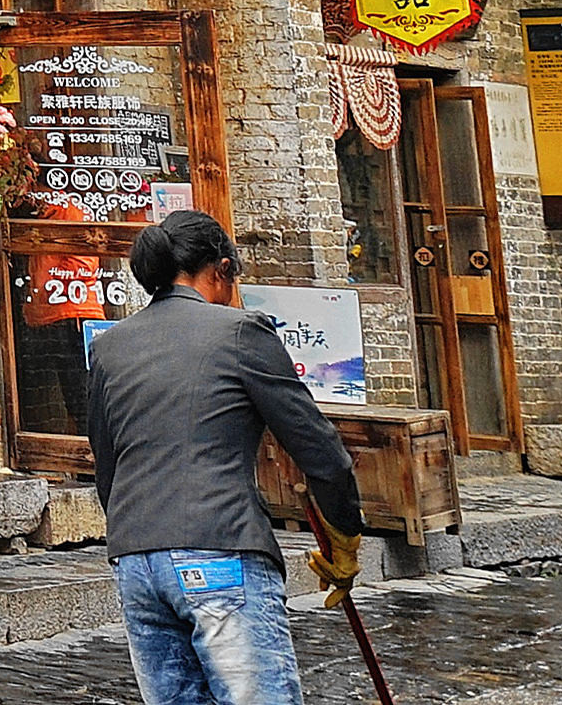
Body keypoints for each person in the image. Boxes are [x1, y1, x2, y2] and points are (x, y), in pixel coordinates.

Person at [84, 210, 365, 705]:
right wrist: (344, 537)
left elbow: (107, 468)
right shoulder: (240, 332)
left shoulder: (111, 347)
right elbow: (322, 453)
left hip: (135, 560)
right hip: (219, 546)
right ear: (222, 270)